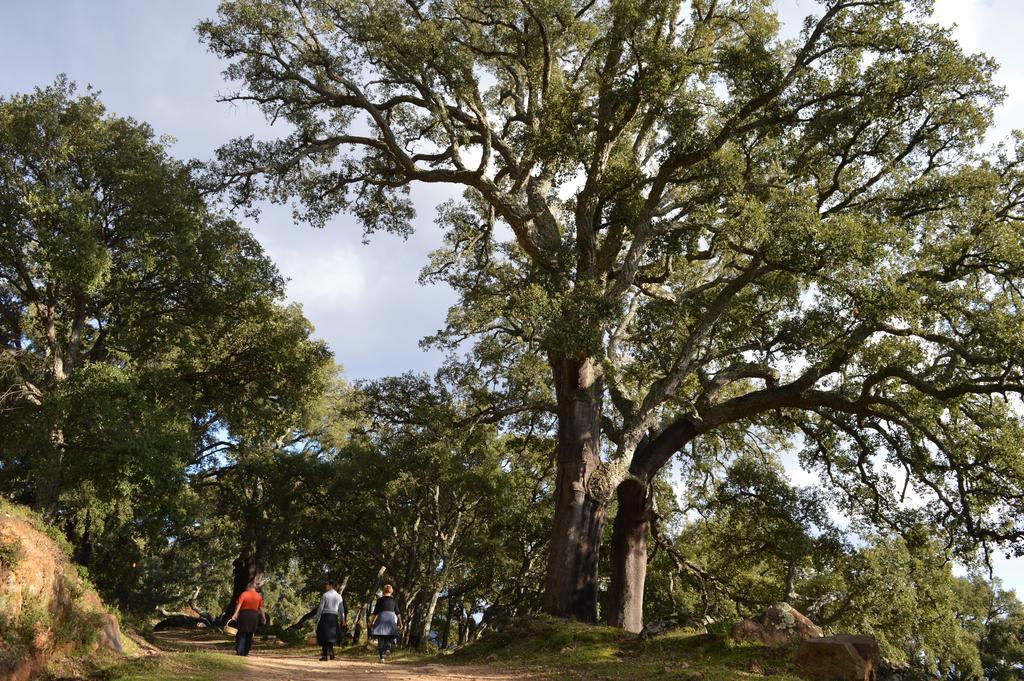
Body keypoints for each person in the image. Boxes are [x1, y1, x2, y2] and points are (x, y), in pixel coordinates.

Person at [229, 580, 266, 656]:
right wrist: (263, 617)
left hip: (244, 615)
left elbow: (238, 605)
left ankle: (240, 651)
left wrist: (235, 614)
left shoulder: (244, 594)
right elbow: (261, 608)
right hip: (254, 616)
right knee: (250, 634)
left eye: (246, 587)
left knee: (242, 632)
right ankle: (246, 652)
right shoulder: (258, 596)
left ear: (249, 587)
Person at [369, 584, 402, 663]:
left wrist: (371, 622)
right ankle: (388, 648)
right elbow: (398, 613)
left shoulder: (380, 600)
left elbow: (375, 612)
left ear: (384, 591)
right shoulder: (393, 600)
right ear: (391, 591)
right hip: (390, 619)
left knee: (381, 638)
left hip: (382, 618)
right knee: (390, 635)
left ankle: (381, 658)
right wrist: (400, 623)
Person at [315, 580, 346, 661]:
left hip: (325, 617)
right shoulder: (339, 596)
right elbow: (342, 610)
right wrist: (343, 621)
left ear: (331, 585)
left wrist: (317, 618)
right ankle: (331, 653)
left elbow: (321, 608)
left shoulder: (325, 595)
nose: (326, 586)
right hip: (334, 617)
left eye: (327, 585)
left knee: (324, 636)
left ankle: (325, 655)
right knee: (331, 636)